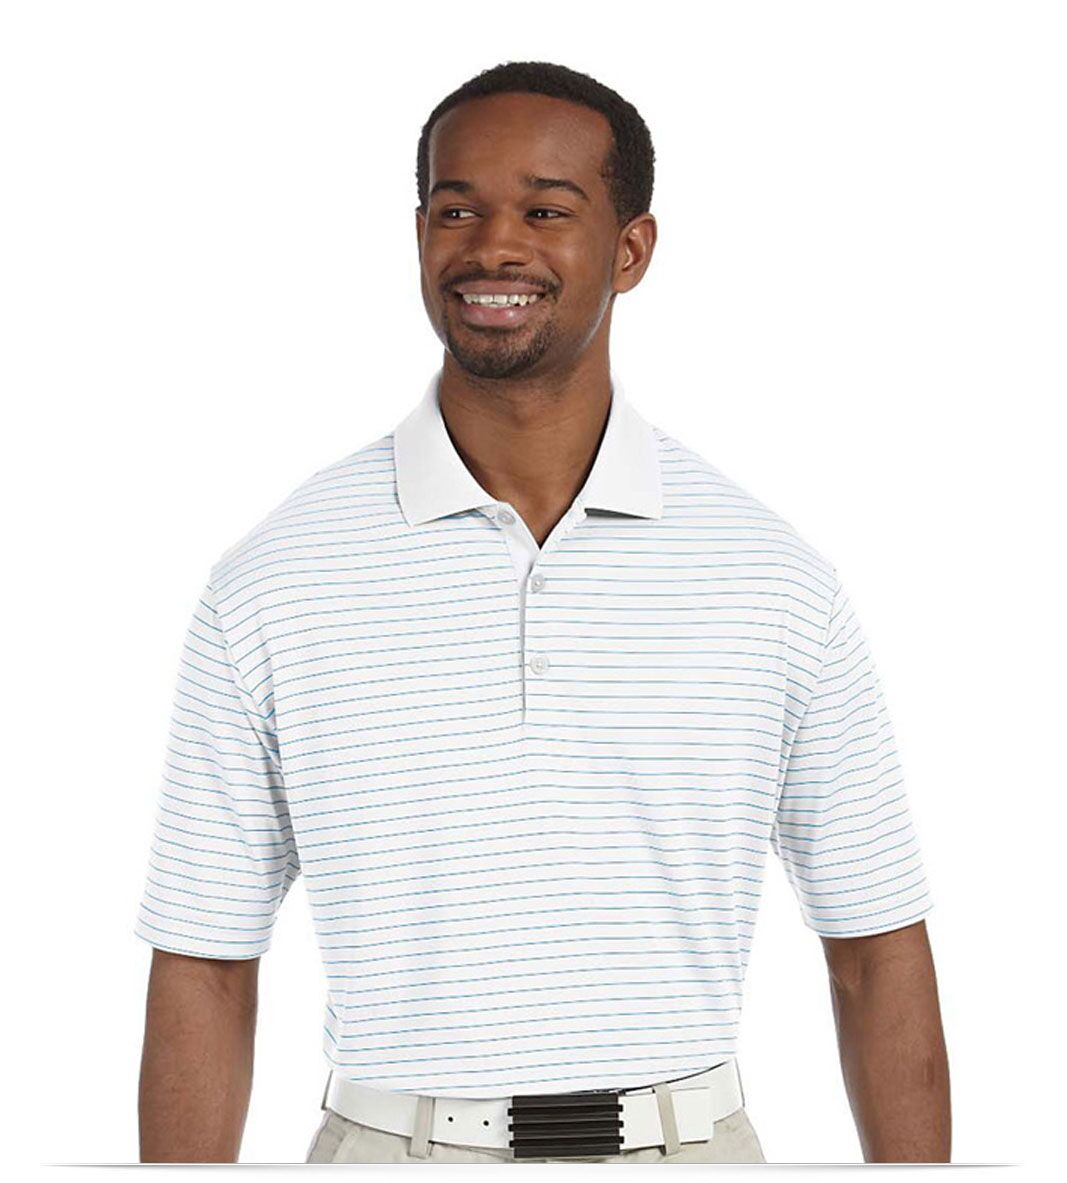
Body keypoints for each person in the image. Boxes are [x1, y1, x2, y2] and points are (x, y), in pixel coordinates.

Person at [134, 59, 950, 1165]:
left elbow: (874, 949)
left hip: (690, 1149)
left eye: (546, 210)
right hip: (390, 1149)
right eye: (454, 209)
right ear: (417, 235)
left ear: (631, 250)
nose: (493, 247)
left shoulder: (770, 577)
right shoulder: (276, 578)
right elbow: (204, 957)